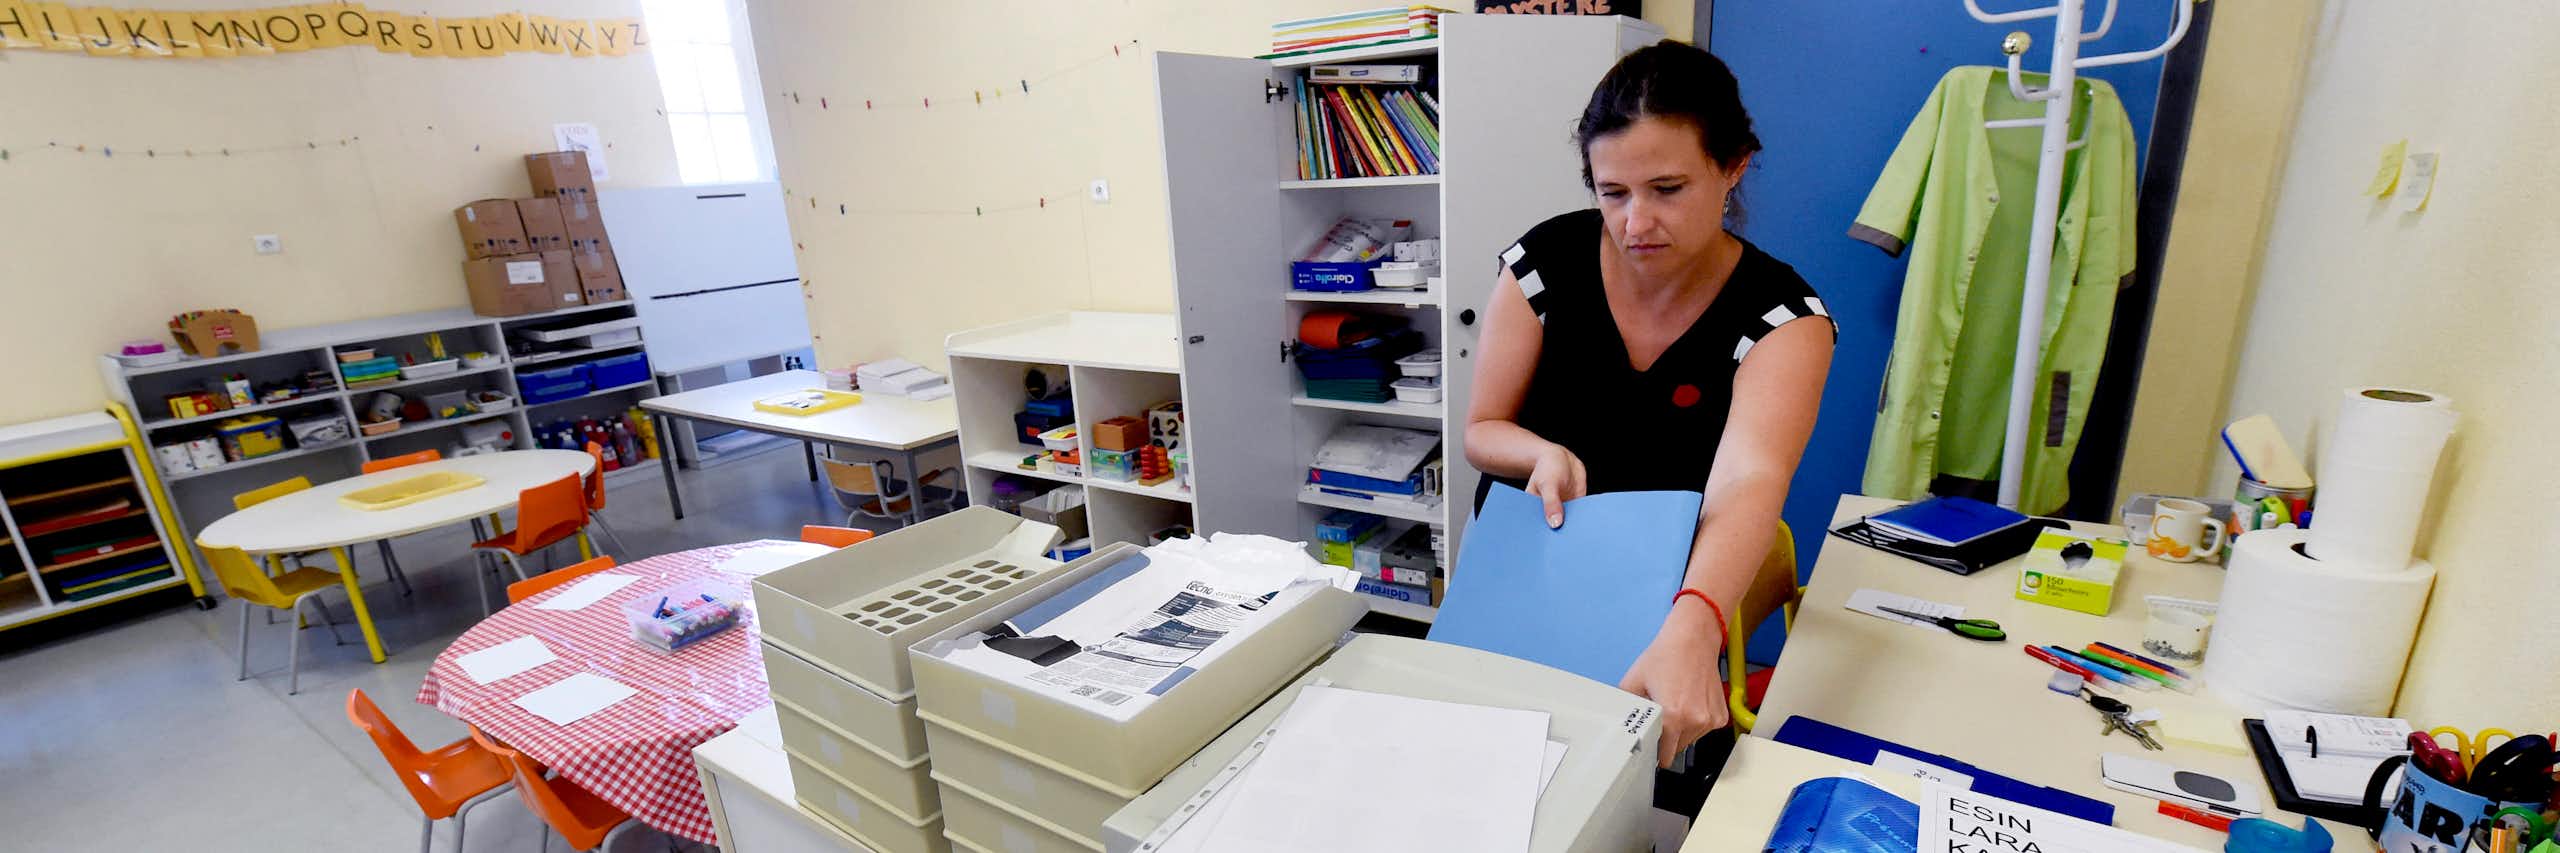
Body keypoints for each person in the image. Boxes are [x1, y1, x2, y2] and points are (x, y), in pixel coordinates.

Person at [1463, 41, 1836, 770]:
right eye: (1613, 193)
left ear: (1733, 168)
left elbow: (1749, 480)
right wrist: (1537, 451)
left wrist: (1695, 624)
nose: (1636, 222)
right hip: (1522, 575)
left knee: (1627, 780)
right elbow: (1483, 430)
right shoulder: (1542, 265)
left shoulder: (1784, 318)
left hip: (1666, 595)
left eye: (1667, 189)